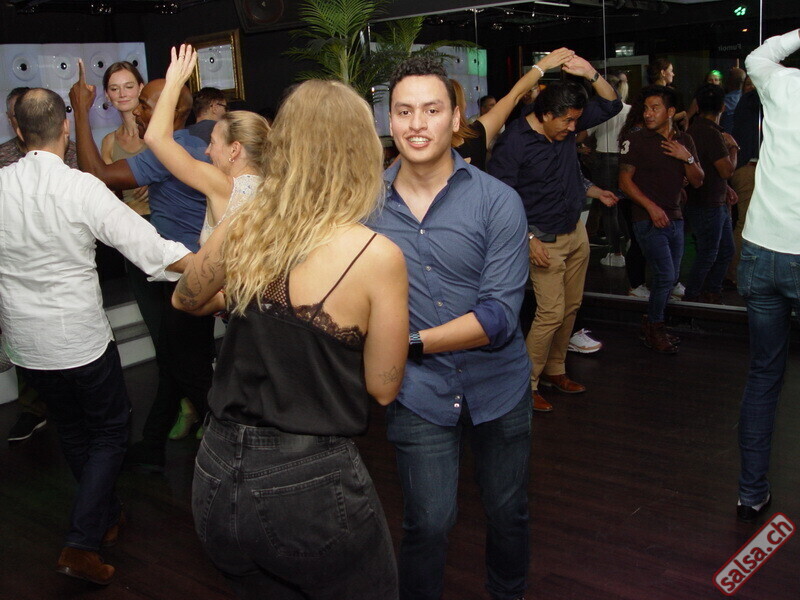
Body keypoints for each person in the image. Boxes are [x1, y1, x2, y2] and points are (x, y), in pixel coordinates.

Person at [171, 78, 408, 599]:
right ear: (362, 152)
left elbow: (185, 299)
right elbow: (383, 386)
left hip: (215, 468)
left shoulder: (247, 224)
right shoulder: (377, 255)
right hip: (307, 481)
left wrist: (235, 245)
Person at [0, 88, 191, 585]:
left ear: (18, 131)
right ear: (65, 128)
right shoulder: (80, 187)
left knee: (72, 429)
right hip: (79, 338)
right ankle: (81, 542)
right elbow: (149, 247)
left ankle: (104, 515)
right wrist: (209, 265)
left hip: (27, 342)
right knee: (109, 431)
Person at [370, 55, 532, 600]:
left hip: (499, 385)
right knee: (428, 522)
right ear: (389, 120)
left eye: (432, 110)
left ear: (456, 118)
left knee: (507, 511)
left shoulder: (497, 201)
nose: (417, 124)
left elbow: (498, 318)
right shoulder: (365, 208)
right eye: (404, 111)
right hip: (419, 392)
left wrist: (404, 344)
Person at [69, 61, 215, 472]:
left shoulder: (170, 150)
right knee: (176, 359)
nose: (138, 109)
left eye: (146, 103)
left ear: (171, 109)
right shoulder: (195, 141)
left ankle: (234, 440)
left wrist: (80, 111)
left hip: (182, 274)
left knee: (186, 366)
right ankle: (152, 444)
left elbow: (96, 174)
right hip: (191, 267)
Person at [144, 46, 270, 438]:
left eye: (213, 142)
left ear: (235, 150)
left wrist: (174, 84)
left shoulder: (224, 185)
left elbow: (155, 137)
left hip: (240, 317)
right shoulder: (274, 188)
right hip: (262, 315)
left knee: (197, 373)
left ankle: (222, 439)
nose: (207, 149)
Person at [489, 55, 621, 413]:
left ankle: (555, 369)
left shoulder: (565, 125)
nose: (573, 128)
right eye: (568, 121)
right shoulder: (514, 143)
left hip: (574, 230)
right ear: (546, 114)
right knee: (550, 313)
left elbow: (611, 104)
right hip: (542, 239)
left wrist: (589, 72)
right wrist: (527, 239)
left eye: (576, 120)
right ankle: (525, 385)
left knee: (571, 306)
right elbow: (499, 200)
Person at [736, 28, 800, 523]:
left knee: (763, 376)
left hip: (761, 251)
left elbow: (759, 55)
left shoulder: (783, 85)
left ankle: (751, 494)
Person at [618, 85, 704, 353]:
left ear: (670, 112)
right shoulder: (636, 139)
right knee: (666, 275)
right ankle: (655, 327)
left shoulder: (684, 140)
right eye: (645, 108)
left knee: (672, 275)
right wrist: (651, 208)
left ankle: (651, 324)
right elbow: (624, 182)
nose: (648, 113)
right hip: (646, 219)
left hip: (675, 218)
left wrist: (686, 157)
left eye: (655, 108)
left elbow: (698, 181)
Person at [452, 47, 575, 170]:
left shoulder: (474, 136)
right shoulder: (475, 137)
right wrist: (543, 65)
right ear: (460, 108)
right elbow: (514, 96)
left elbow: (515, 96)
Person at [683, 84, 738, 304]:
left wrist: (726, 188)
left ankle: (711, 291)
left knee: (723, 250)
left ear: (697, 106)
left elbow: (708, 168)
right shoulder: (713, 134)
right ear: (723, 107)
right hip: (709, 203)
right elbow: (726, 170)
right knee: (710, 253)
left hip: (707, 199)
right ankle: (694, 297)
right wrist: (733, 148)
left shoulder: (693, 130)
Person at [582, 72, 631, 268]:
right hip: (625, 159)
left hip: (603, 160)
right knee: (623, 205)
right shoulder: (630, 110)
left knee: (609, 208)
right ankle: (630, 241)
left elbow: (583, 134)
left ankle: (615, 252)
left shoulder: (600, 112)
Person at [100, 61, 149, 215]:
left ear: (141, 88)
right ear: (107, 95)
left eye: (128, 87)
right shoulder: (109, 141)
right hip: (127, 222)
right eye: (114, 89)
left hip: (163, 220)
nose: (122, 94)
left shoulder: (158, 132)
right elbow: (107, 191)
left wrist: (159, 180)